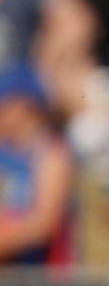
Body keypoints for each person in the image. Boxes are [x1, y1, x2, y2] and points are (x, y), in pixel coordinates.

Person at [0, 65, 73, 265]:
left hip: (39, 280)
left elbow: (43, 225)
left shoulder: (50, 153)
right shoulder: (5, 151)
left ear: (24, 106)